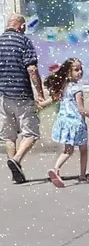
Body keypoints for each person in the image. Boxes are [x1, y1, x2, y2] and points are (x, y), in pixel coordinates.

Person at [38, 58, 89, 188]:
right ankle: (82, 176)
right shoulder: (76, 89)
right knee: (83, 149)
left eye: (81, 69)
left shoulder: (63, 86)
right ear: (68, 72)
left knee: (68, 150)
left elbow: (54, 99)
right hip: (76, 124)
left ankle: (56, 169)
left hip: (64, 123)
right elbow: (81, 109)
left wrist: (42, 104)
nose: (80, 72)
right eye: (76, 70)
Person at [0, 13, 44, 183]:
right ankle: (16, 160)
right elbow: (32, 70)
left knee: (9, 136)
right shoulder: (24, 41)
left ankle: (16, 174)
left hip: (3, 96)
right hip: (22, 95)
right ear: (21, 26)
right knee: (31, 133)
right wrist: (40, 93)